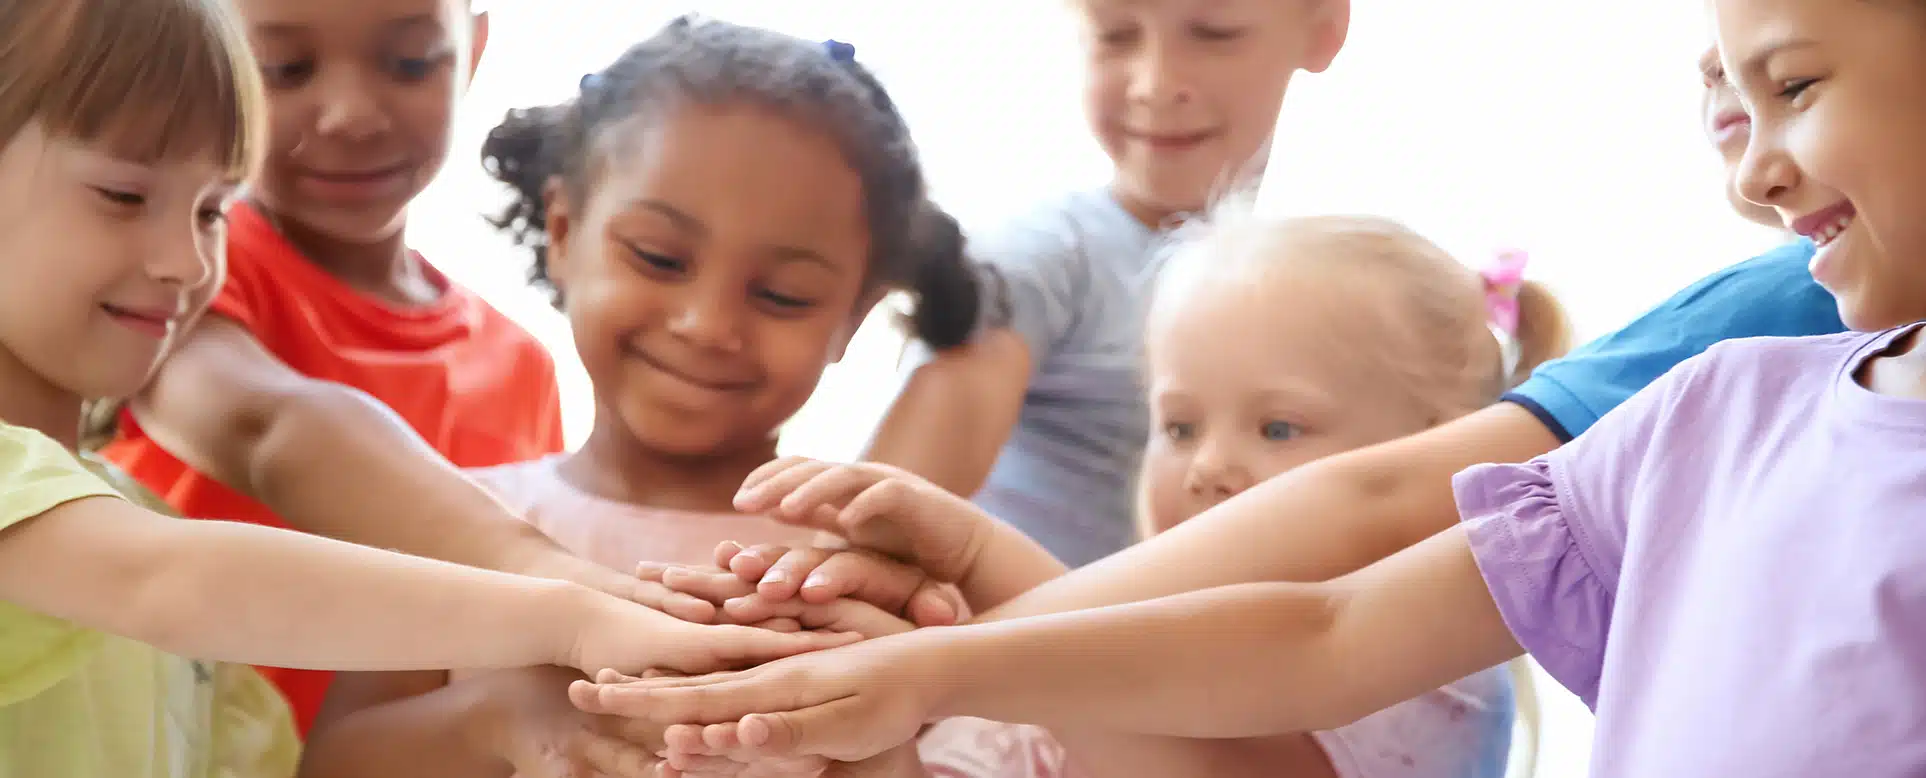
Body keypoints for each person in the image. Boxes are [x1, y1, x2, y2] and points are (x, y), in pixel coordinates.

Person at [573, 2, 1926, 775]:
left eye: (1793, 88)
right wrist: (929, 627)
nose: (1752, 175)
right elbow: (1314, 628)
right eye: (1731, 110)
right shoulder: (1711, 409)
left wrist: (935, 642)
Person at [0, 1, 852, 774]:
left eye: (211, 210)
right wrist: (566, 607)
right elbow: (201, 537)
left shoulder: (516, 366)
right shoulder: (133, 528)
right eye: (123, 195)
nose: (187, 262)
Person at [636, 208, 1572, 778]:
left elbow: (1189, 753)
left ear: (1434, 451)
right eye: (1180, 426)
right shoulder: (1135, 608)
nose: (1207, 467)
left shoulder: (1441, 675)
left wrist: (976, 568)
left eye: (1279, 428)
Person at [296, 18, 983, 777]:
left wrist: (880, 730)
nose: (706, 325)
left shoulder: (861, 578)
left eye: (783, 295)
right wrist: (498, 720)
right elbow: (333, 765)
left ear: (853, 317)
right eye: (659, 258)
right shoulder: (458, 524)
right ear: (563, 232)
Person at [95, 0, 707, 735]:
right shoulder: (186, 274)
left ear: (473, 50)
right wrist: (556, 578)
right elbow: (264, 428)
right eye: (284, 69)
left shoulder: (521, 366)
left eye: (411, 62)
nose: (351, 115)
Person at [862, 0, 1350, 566]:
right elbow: (877, 521)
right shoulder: (1039, 261)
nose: (1155, 85)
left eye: (1214, 34)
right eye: (1114, 36)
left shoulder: (1323, 282)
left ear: (1324, 30)